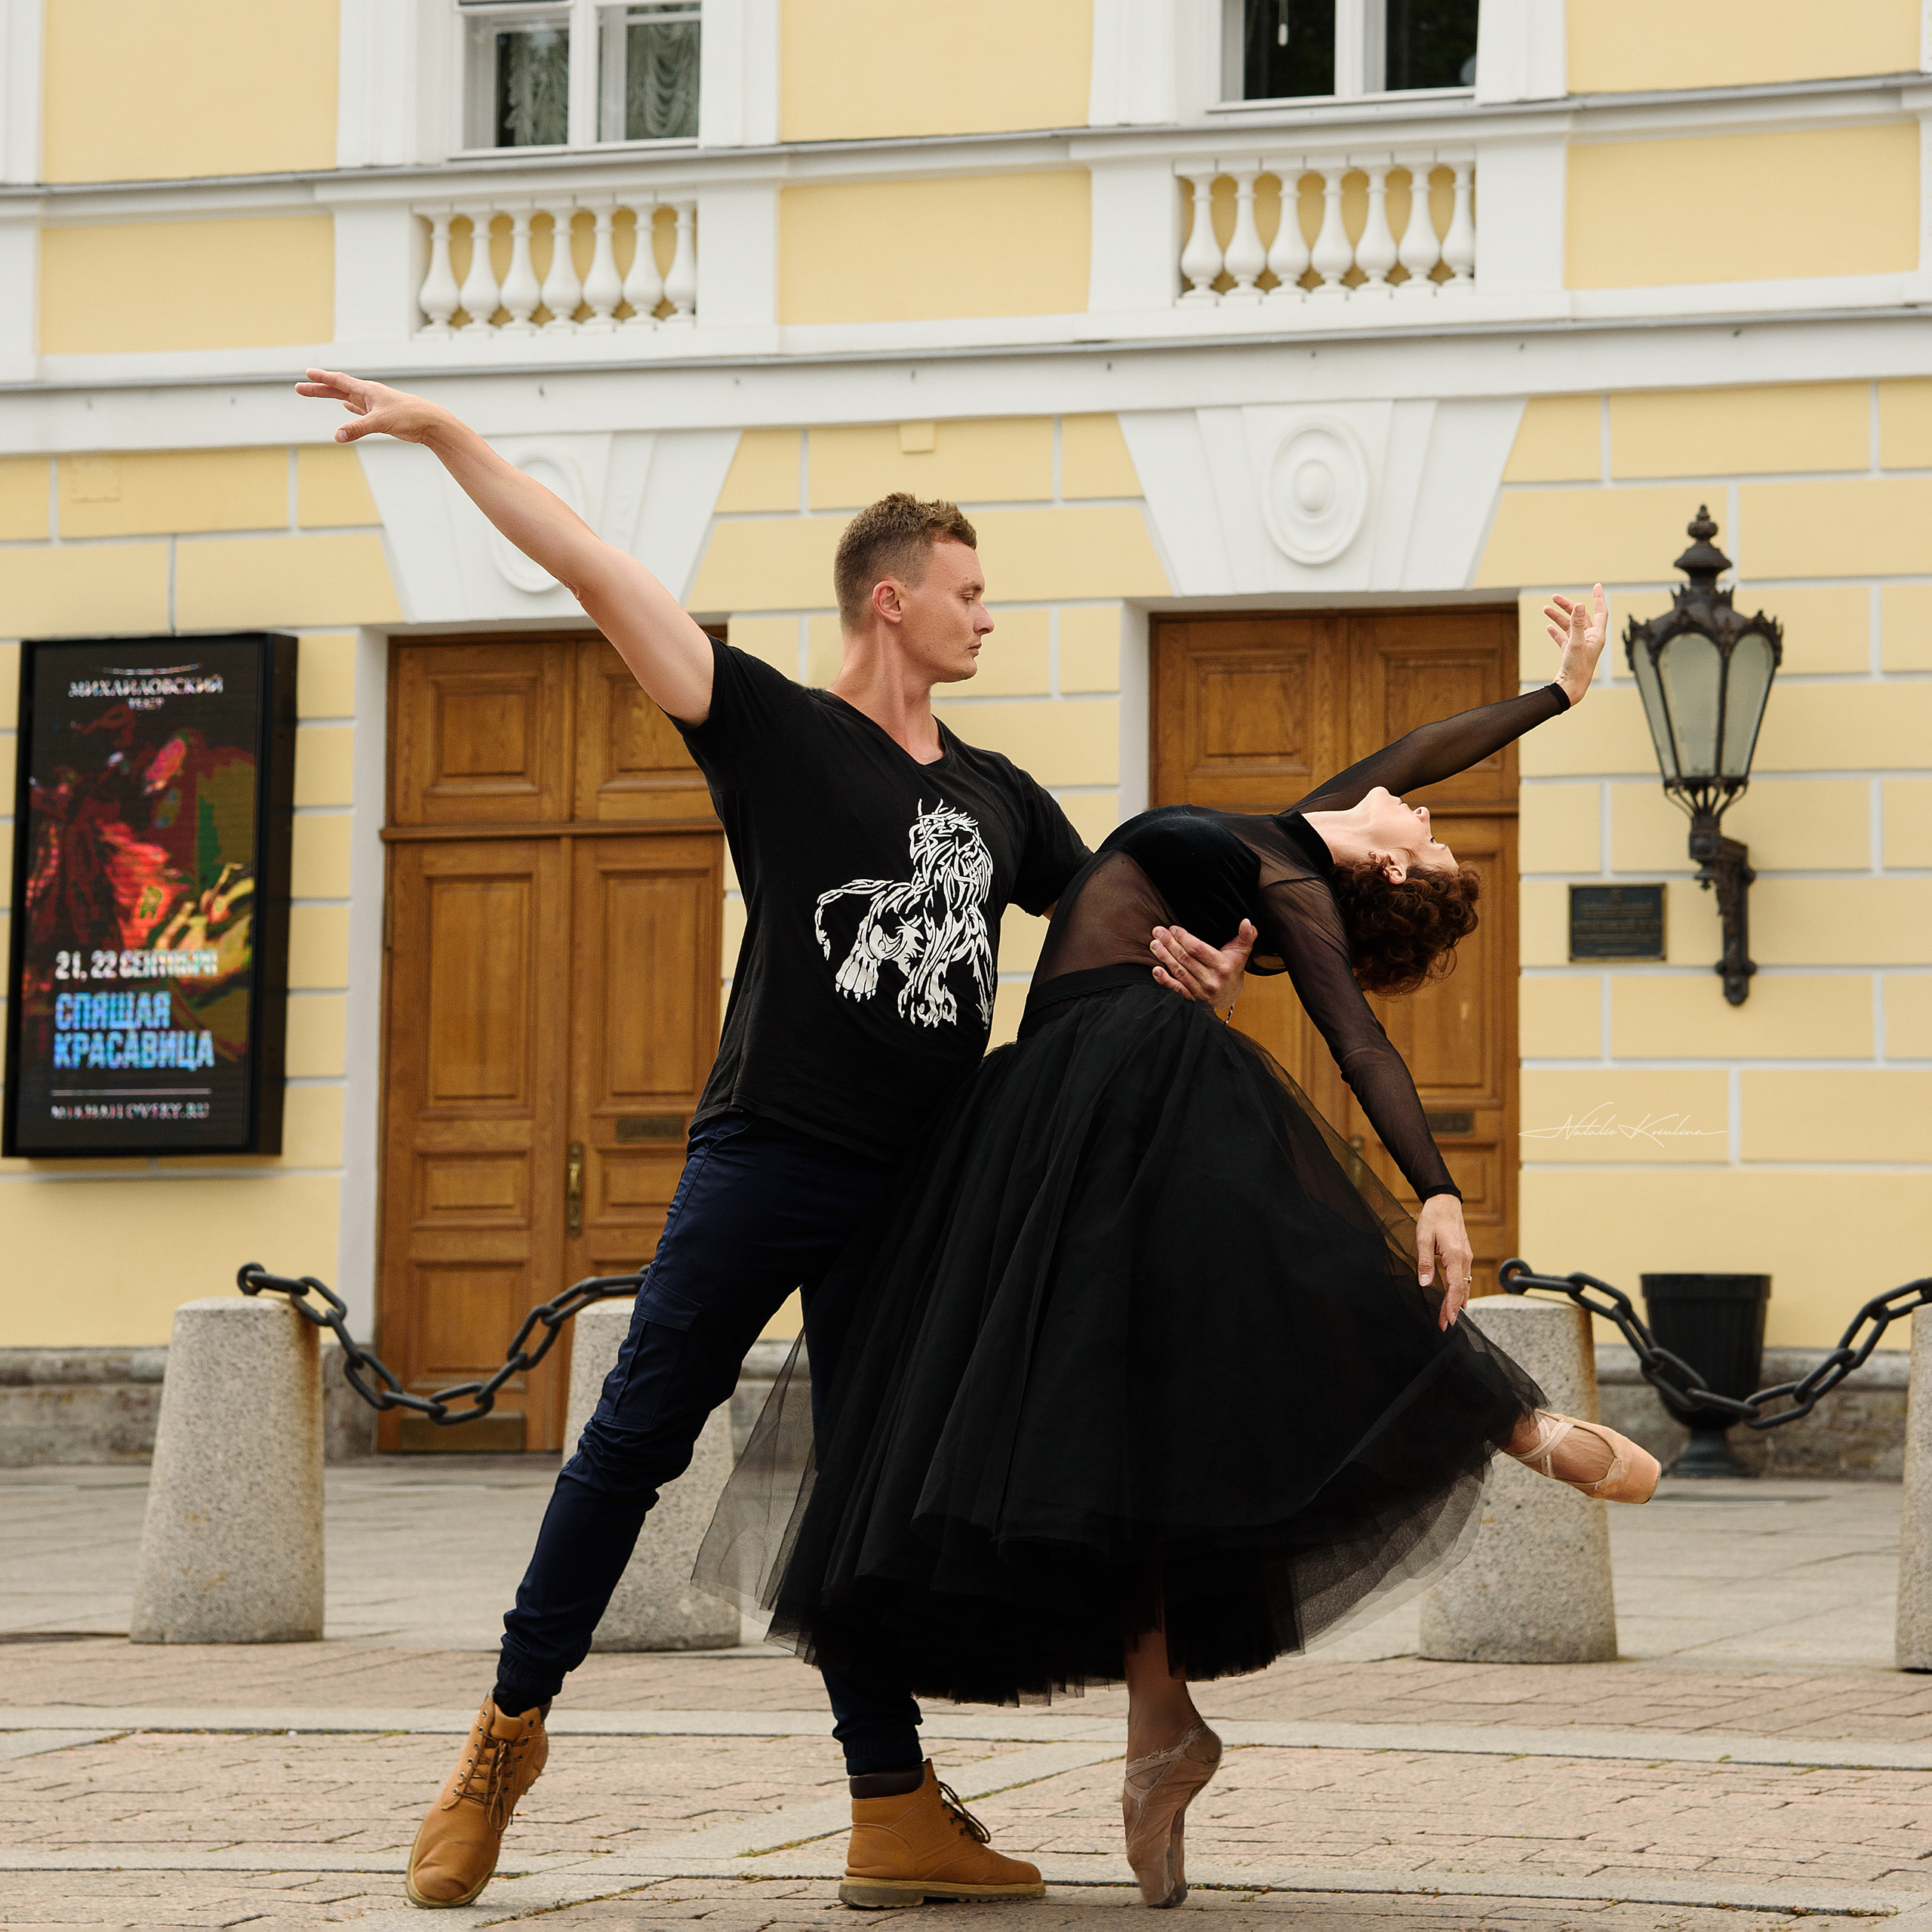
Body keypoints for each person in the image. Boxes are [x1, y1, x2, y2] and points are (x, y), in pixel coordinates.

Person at [294, 369, 1251, 1912]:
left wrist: (1205, 957)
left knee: (864, 1482)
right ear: (893, 602)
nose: (986, 618)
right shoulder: (778, 735)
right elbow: (601, 569)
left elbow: (1111, 912)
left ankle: (888, 1802)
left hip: (922, 1187)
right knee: (633, 1437)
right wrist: (454, 440)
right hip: (774, 1149)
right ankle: (503, 1734)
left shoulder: (999, 796)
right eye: (968, 593)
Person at [698, 583, 1661, 1910]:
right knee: (1130, 1406)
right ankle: (1162, 1733)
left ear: (1378, 873)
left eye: (1424, 845)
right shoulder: (1285, 836)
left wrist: (1437, 1191)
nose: (1424, 817)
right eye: (1431, 834)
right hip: (1066, 1096)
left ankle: (1513, 1424)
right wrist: (1561, 692)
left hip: (1116, 1082)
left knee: (1281, 1269)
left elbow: (1359, 1040)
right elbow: (1423, 752)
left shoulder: (1291, 878)